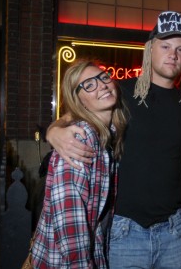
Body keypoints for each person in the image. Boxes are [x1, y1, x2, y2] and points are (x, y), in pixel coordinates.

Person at [46, 11, 181, 268]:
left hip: (175, 230)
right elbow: (74, 113)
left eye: (180, 49)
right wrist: (54, 131)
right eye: (165, 46)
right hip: (126, 230)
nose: (173, 54)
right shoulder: (120, 91)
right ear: (150, 49)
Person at [31, 60, 128, 268]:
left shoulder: (108, 136)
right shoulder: (80, 138)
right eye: (89, 85)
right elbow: (69, 220)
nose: (102, 85)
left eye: (103, 77)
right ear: (79, 101)